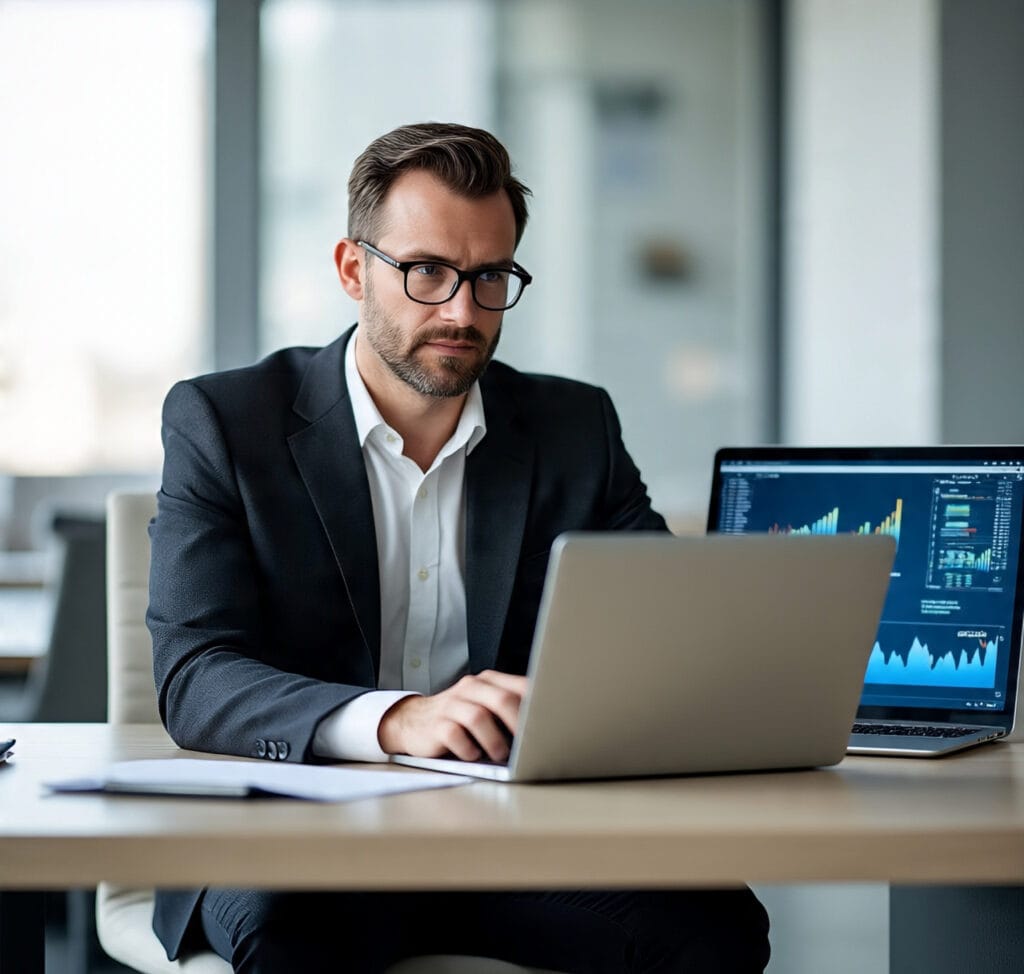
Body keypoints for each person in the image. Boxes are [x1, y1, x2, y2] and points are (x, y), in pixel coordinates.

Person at [147, 121, 770, 973]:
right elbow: (197, 675)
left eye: (489, 278)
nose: (462, 310)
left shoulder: (573, 426)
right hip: (304, 836)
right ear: (352, 269)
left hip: (514, 837)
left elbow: (656, 639)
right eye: (427, 272)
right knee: (287, 937)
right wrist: (402, 721)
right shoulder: (226, 421)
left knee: (715, 926)